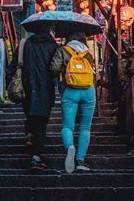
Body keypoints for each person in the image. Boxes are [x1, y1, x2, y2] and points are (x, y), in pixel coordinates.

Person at [50, 32, 96, 173]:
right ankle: (81, 160)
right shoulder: (88, 53)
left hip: (70, 90)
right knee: (85, 128)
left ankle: (70, 146)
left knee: (67, 126)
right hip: (89, 90)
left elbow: (54, 69)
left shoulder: (63, 50)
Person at [21, 28, 58, 169]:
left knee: (30, 115)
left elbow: (14, 65)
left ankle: (29, 134)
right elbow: (56, 68)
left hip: (27, 88)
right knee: (42, 124)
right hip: (45, 90)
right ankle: (36, 158)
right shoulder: (53, 46)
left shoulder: (26, 44)